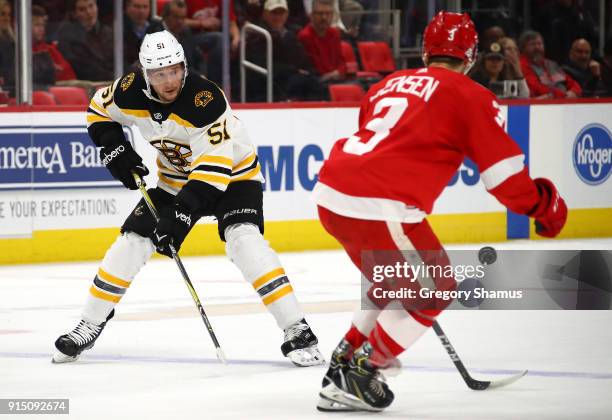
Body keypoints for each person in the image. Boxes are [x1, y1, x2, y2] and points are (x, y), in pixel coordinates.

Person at [312, 11, 567, 412]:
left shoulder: (386, 83)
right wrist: (544, 206)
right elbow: (503, 178)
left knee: (393, 284)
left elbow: (379, 140)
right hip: (382, 204)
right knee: (437, 288)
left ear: (427, 51)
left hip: (332, 194)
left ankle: (345, 361)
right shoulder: (471, 95)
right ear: (471, 56)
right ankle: (363, 372)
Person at [52, 30, 324, 368]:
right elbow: (97, 109)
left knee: (244, 241)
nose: (169, 81)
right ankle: (89, 323)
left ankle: (297, 329)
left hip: (234, 177)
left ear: (184, 65)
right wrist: (114, 147)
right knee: (133, 240)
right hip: (175, 181)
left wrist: (177, 220)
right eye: (160, 73)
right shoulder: (128, 90)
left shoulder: (205, 99)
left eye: (175, 70)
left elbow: (212, 173)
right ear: (145, 74)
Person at [246, 0, 323, 101]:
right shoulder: (257, 34)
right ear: (265, 14)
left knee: (314, 80)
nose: (278, 17)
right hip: (269, 82)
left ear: (287, 14)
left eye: (281, 13)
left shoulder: (290, 35)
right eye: (274, 13)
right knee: (303, 81)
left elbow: (303, 60)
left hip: (289, 79)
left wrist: (310, 72)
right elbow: (260, 64)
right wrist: (293, 70)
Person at [56, 0, 114, 81]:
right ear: (74, 14)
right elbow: (79, 66)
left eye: (91, 6)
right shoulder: (67, 34)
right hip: (85, 82)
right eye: (82, 9)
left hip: (112, 79)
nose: (89, 12)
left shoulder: (108, 32)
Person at [519, 30, 581, 99]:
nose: (537, 47)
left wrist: (574, 91)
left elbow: (572, 83)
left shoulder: (551, 64)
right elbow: (536, 88)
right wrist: (563, 95)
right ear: (523, 48)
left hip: (563, 102)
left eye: (539, 44)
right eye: (532, 44)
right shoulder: (521, 65)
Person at [298, 0, 347, 85]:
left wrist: (338, 72)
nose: (324, 17)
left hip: (335, 78)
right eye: (320, 13)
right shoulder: (305, 36)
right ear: (312, 15)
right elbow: (314, 66)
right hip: (318, 82)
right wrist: (334, 74)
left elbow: (341, 61)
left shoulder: (335, 33)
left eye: (328, 13)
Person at [32, 5, 76, 85]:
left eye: (42, 25)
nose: (41, 29)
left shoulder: (50, 49)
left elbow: (69, 74)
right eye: (37, 25)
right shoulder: (18, 51)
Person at [161, 0, 207, 76]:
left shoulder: (185, 32)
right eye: (176, 17)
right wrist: (198, 77)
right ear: (165, 17)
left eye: (183, 18)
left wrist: (202, 74)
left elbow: (199, 58)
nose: (180, 21)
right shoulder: (156, 33)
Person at [123, 0, 164, 71]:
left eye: (145, 7)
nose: (141, 11)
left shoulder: (157, 27)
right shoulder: (119, 28)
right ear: (127, 7)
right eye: (137, 6)